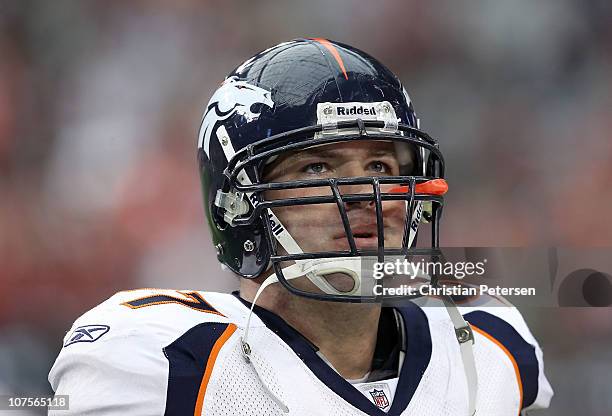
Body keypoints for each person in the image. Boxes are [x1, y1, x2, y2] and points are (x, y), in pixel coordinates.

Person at [48, 38, 553, 415]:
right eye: (317, 168)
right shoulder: (167, 360)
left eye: (381, 167)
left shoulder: (487, 348)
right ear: (240, 205)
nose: (364, 195)